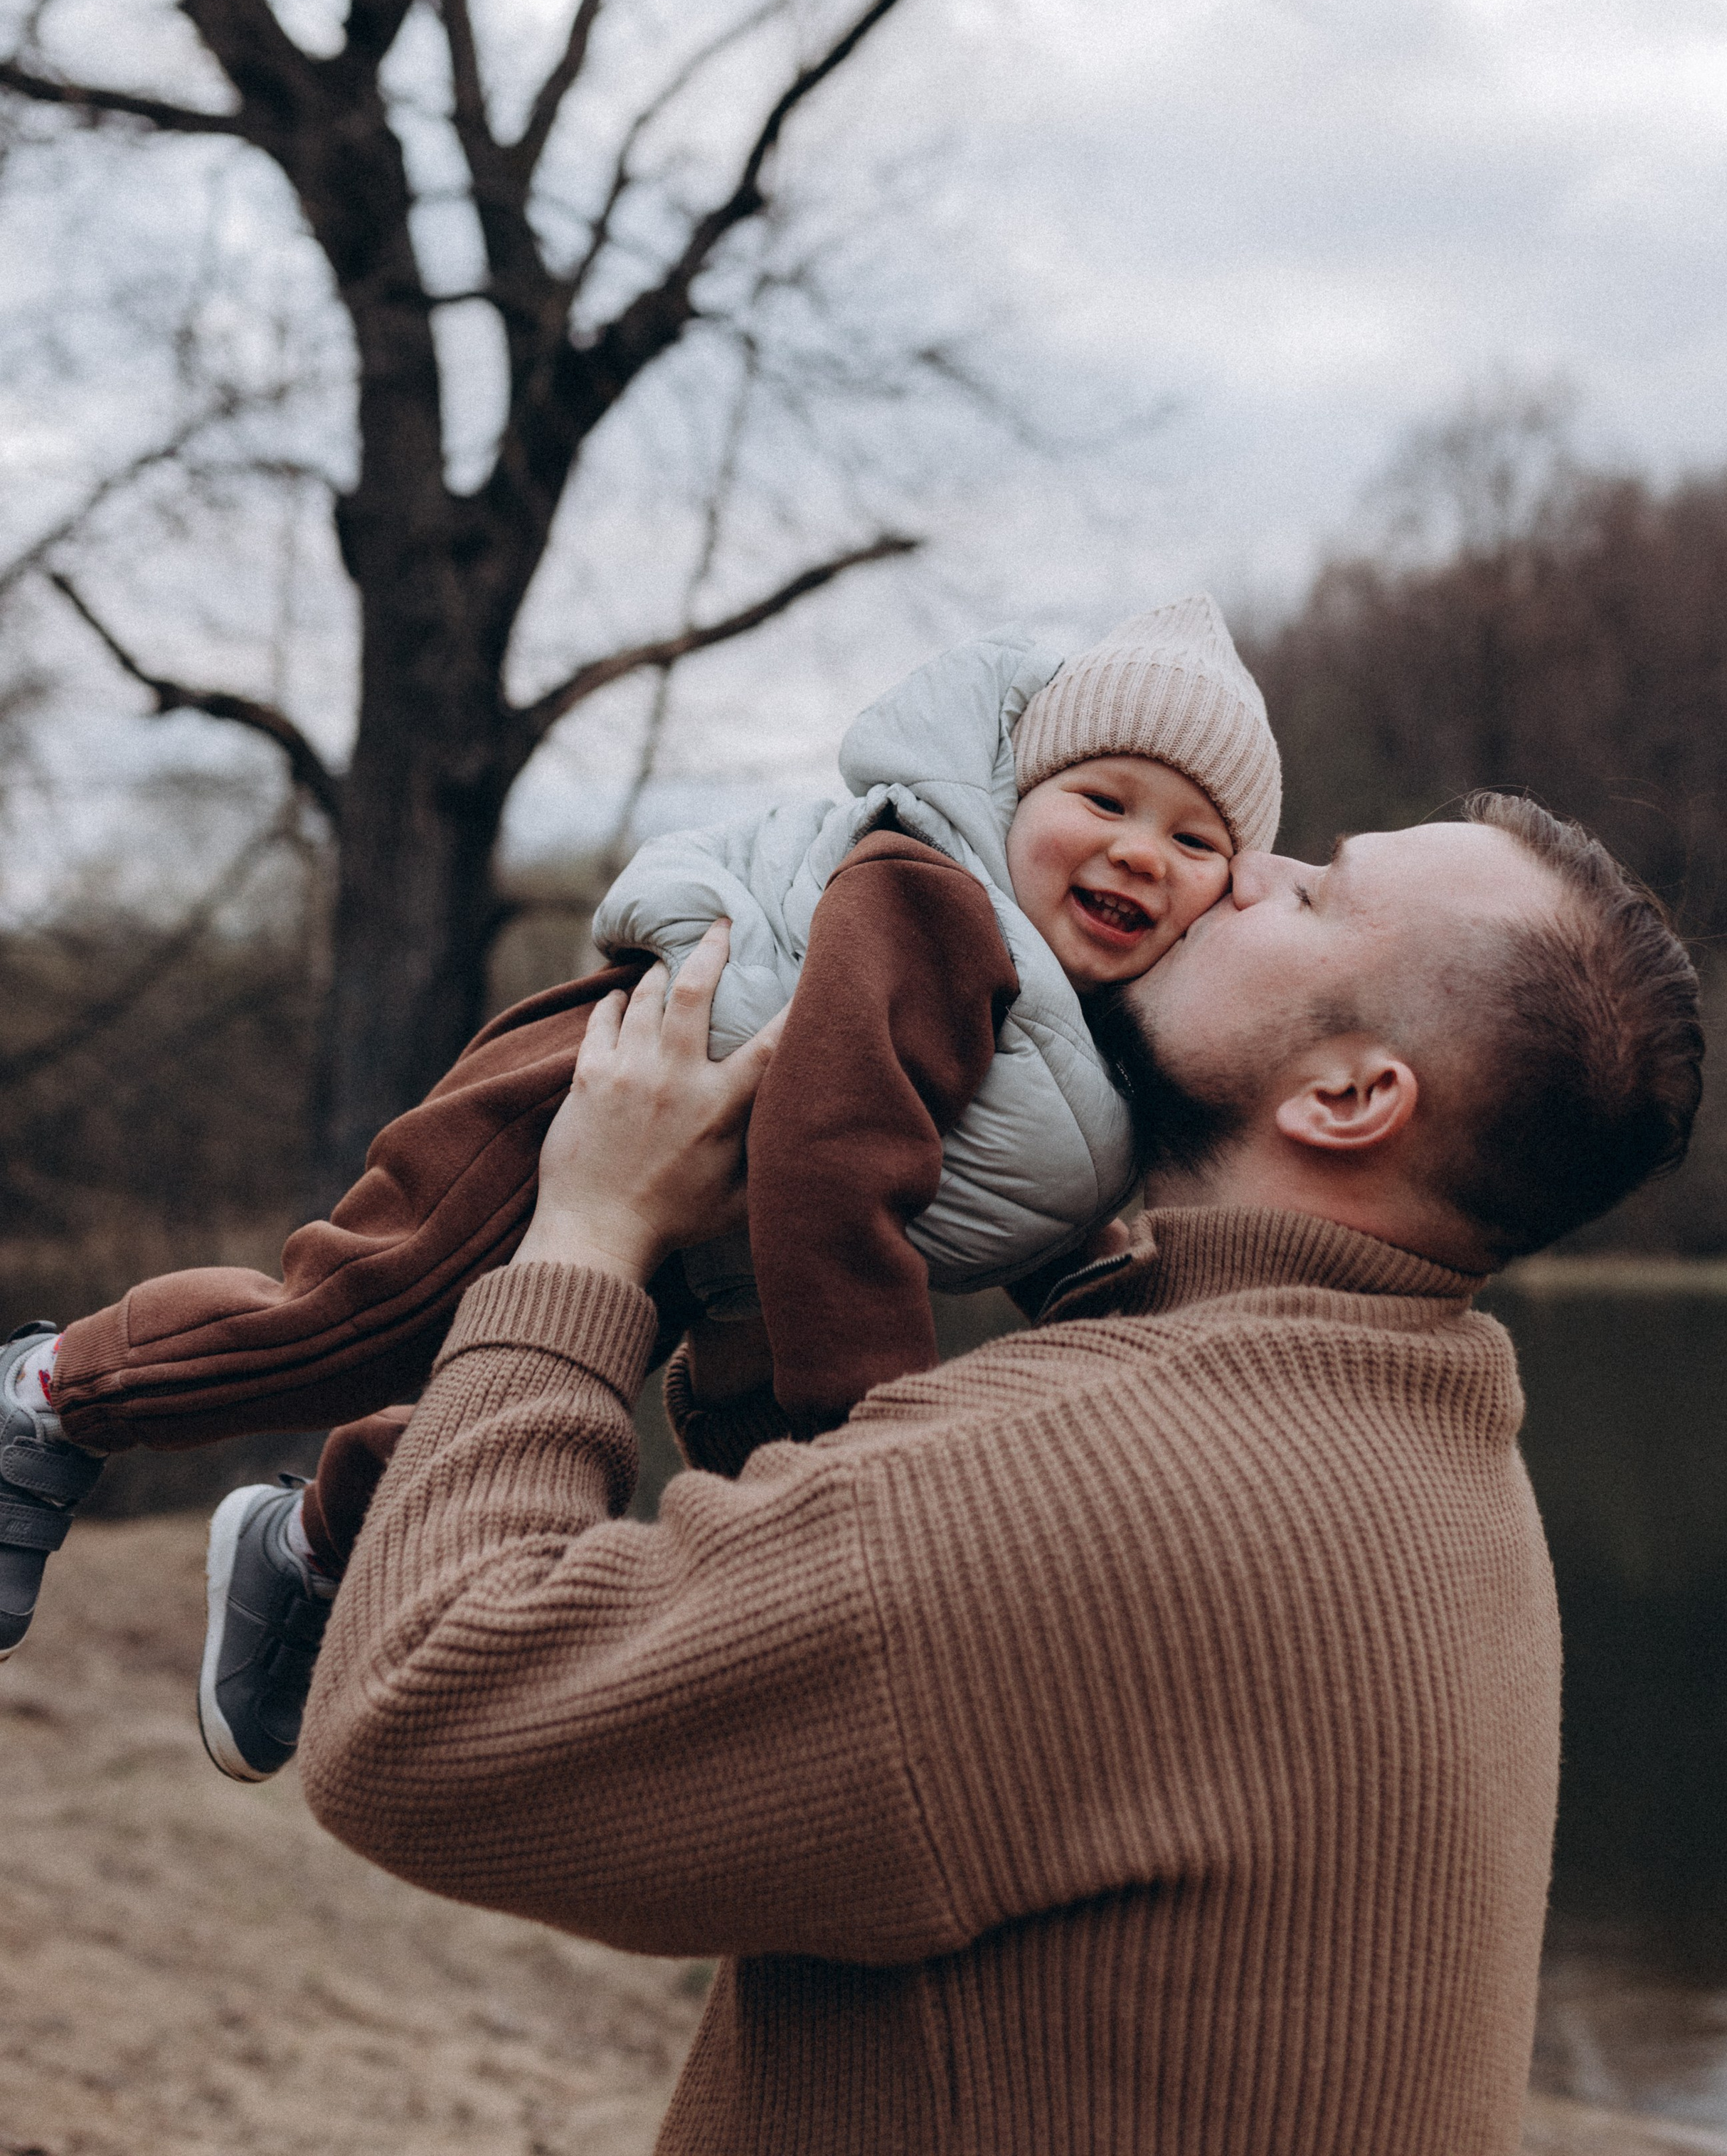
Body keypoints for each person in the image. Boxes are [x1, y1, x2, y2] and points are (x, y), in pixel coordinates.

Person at [297, 791, 1702, 2156]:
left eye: (1320, 894)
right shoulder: (1414, 1424)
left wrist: (587, 1234)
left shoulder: (1114, 1482)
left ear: (1347, 1095)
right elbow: (886, 1624)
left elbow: (423, 1716)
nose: (1249, 868)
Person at [0, 595, 1277, 1775]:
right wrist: (876, 1437)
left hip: (716, 1214)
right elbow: (843, 1148)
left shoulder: (1106, 1035)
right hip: (590, 1090)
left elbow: (1024, 1172)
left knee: (565, 1434)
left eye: (1194, 839)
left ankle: (309, 1550)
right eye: (1104, 801)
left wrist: (1111, 1296)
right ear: (1016, 796)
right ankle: (54, 1395)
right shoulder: (934, 899)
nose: (1140, 852)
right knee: (360, 1317)